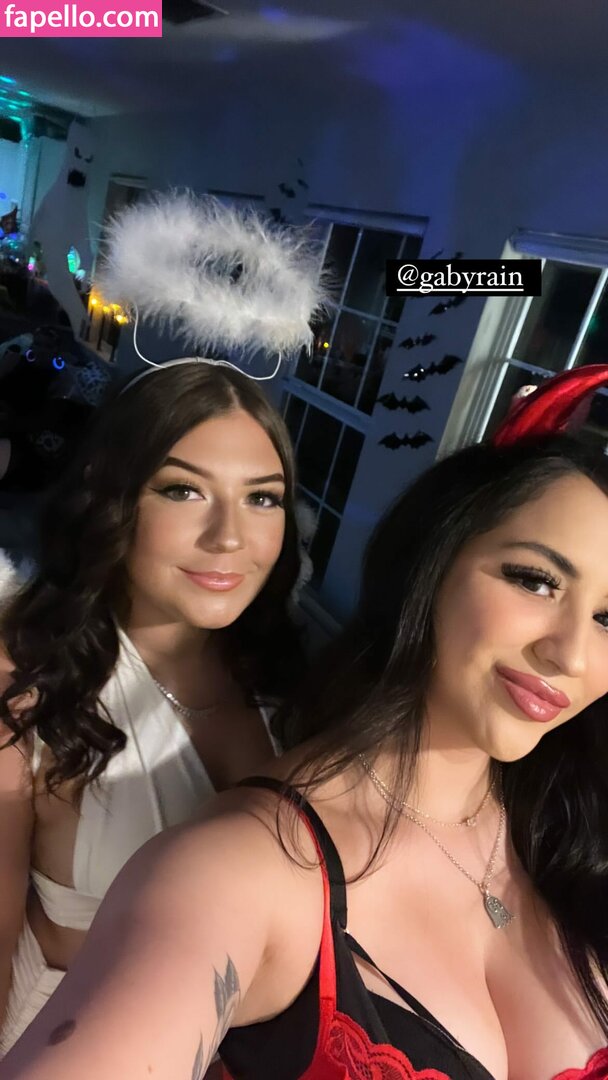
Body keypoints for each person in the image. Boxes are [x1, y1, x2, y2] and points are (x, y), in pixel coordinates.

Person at [5, 387, 608, 1077]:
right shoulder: (242, 865)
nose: (571, 655)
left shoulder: (274, 690)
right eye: (534, 580)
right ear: (431, 560)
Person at [0, 186, 329, 1057]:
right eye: (183, 491)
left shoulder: (295, 684)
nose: (230, 538)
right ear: (112, 498)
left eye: (262, 498)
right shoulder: (23, 678)